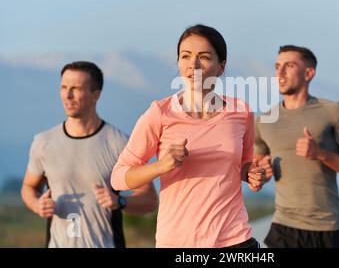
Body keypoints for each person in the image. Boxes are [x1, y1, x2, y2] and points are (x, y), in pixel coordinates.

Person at [111, 24, 267, 248]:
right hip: (179, 242)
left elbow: (244, 166)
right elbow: (118, 177)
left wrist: (253, 175)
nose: (193, 64)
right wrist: (161, 166)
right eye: (185, 56)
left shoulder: (241, 111)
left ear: (220, 67)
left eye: (203, 57)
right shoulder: (160, 112)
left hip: (235, 239)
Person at [21, 61, 158, 248]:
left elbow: (149, 200)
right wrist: (37, 204)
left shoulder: (118, 143)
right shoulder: (43, 142)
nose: (67, 95)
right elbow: (29, 187)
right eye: (63, 87)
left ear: (96, 95)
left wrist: (120, 201)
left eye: (76, 88)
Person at [255, 45, 339, 248]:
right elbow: (254, 172)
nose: (279, 72)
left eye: (288, 66)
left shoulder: (333, 111)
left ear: (308, 73)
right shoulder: (264, 120)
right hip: (284, 228)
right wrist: (260, 173)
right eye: (277, 66)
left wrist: (321, 153)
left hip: (329, 229)